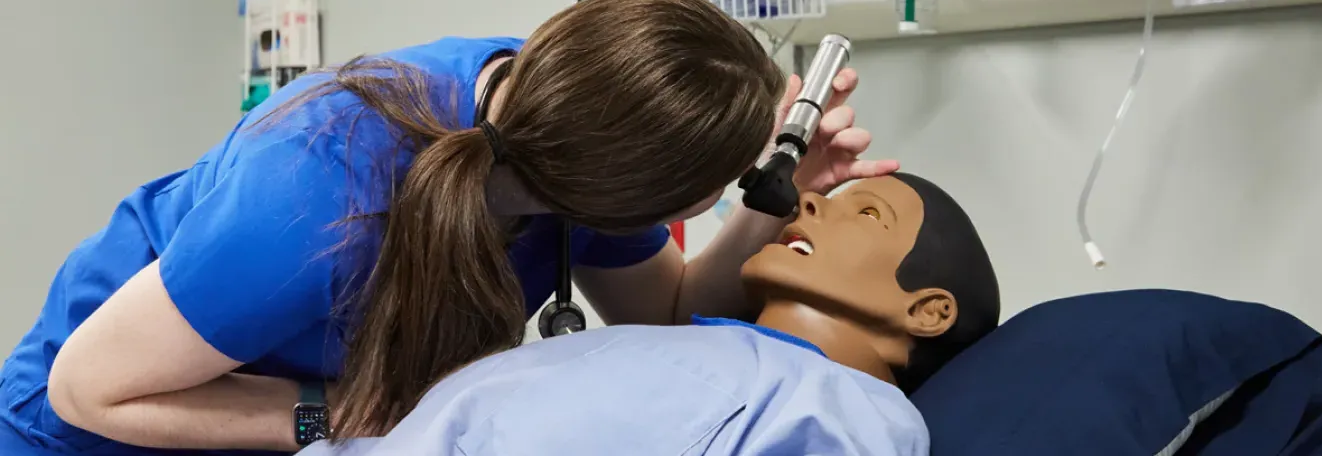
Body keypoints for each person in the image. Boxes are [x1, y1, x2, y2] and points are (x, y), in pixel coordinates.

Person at [0, 0, 899, 455]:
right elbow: (94, 390)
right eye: (715, 187)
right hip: (92, 431)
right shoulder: (320, 192)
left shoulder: (573, 131)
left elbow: (663, 311)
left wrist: (766, 207)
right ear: (629, 200)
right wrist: (336, 418)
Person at [299, 172, 1001, 455]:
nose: (809, 203)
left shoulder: (849, 410)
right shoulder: (685, 349)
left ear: (929, 310)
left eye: (866, 213)